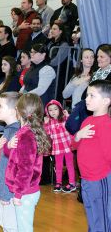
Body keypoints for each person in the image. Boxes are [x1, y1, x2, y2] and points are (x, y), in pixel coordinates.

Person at [4, 93, 52, 232]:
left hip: (25, 192)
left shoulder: (26, 135)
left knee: (24, 228)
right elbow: (14, 156)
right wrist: (8, 146)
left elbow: (26, 169)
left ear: (18, 112)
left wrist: (18, 194)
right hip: (25, 191)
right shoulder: (25, 132)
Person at [73, 80, 111, 231]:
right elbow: (74, 145)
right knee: (92, 216)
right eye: (87, 95)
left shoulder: (107, 124)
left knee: (102, 218)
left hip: (100, 178)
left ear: (106, 100)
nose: (86, 99)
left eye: (91, 95)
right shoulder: (88, 120)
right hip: (86, 179)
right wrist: (78, 135)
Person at [0, 92, 21, 232]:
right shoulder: (9, 130)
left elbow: (10, 167)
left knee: (10, 226)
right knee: (5, 223)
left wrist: (5, 192)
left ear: (12, 111)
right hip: (4, 188)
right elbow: (0, 151)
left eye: (0, 106)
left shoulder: (16, 132)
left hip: (8, 190)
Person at [44, 100, 76, 192]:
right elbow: (47, 133)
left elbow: (72, 126)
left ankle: (72, 183)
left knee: (70, 164)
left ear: (60, 109)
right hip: (57, 147)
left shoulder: (65, 118)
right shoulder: (49, 121)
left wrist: (68, 116)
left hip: (68, 145)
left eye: (55, 109)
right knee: (58, 165)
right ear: (47, 112)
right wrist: (45, 123)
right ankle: (58, 183)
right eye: (50, 110)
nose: (53, 112)